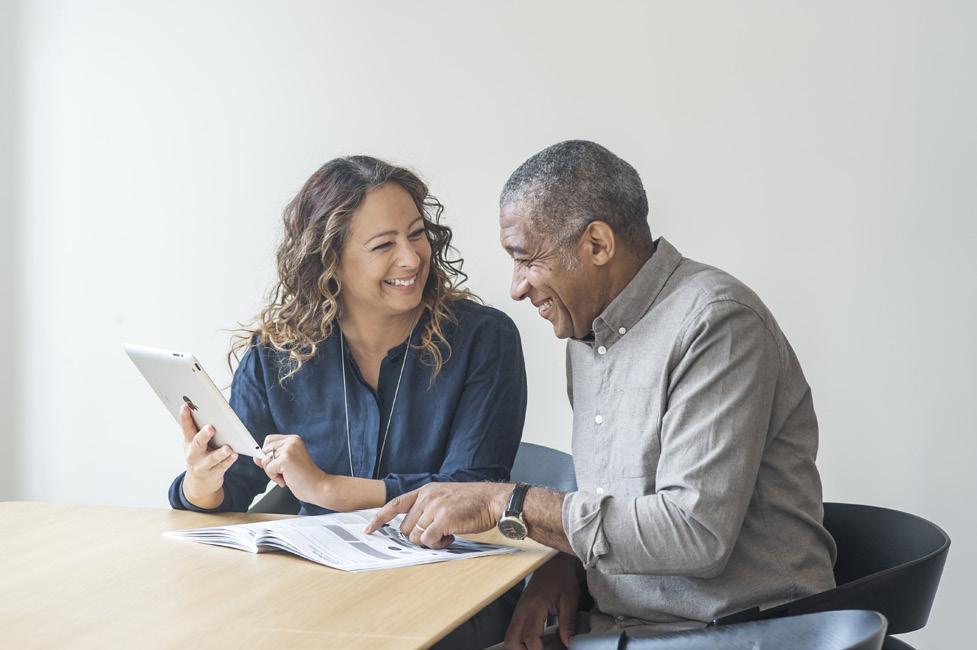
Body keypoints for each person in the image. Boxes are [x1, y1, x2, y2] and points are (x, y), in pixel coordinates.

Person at [366, 140, 837, 649]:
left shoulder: (717, 323)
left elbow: (693, 535)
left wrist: (508, 503)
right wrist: (564, 565)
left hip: (740, 634)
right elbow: (613, 503)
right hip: (620, 628)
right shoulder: (589, 335)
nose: (516, 288)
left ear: (597, 245)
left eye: (525, 260)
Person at [167, 155, 527, 647]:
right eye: (384, 245)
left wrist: (327, 490)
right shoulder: (277, 353)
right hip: (319, 584)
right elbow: (232, 490)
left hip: (450, 586)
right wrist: (202, 480)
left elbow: (470, 489)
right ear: (330, 260)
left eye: (417, 234)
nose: (411, 258)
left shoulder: (484, 339)